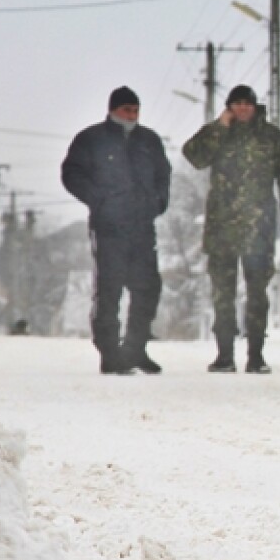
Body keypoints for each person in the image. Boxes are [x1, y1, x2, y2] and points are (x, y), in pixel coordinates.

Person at [182, 85, 280, 374]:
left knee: (257, 293)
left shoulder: (270, 136)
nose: (243, 108)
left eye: (247, 103)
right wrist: (220, 125)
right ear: (229, 107)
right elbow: (194, 156)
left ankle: (256, 355)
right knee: (223, 294)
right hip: (222, 227)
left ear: (255, 106)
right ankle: (224, 355)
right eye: (237, 103)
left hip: (257, 228)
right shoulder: (219, 135)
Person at [61, 86, 172, 374]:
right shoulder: (92, 139)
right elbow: (71, 173)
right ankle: (110, 353)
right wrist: (98, 200)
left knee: (148, 288)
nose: (132, 115)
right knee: (109, 290)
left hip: (142, 226)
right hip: (109, 226)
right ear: (112, 110)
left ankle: (135, 350)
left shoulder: (149, 140)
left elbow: (163, 174)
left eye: (135, 109)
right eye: (126, 109)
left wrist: (158, 202)